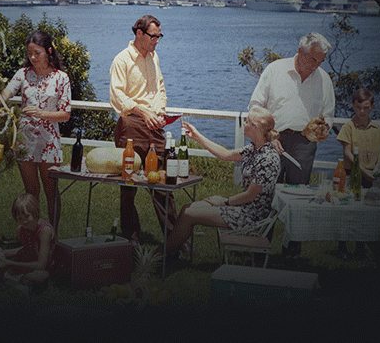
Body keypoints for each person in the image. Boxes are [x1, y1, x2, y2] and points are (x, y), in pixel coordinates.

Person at [247, 31, 335, 259]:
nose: (316, 65)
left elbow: (328, 115)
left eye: (321, 61)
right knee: (264, 195)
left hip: (304, 145)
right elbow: (255, 106)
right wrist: (269, 136)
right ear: (300, 51)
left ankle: (292, 253)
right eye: (312, 59)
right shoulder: (275, 70)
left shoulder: (324, 79)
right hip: (272, 140)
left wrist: (323, 130)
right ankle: (258, 249)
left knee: (299, 201)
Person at [162, 107, 281, 256]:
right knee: (187, 208)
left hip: (251, 215)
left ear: (255, 128)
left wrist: (224, 201)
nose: (243, 123)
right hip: (243, 207)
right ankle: (173, 249)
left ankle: (160, 254)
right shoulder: (254, 149)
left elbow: (250, 196)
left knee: (189, 214)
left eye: (247, 121)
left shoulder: (268, 158)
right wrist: (196, 136)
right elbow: (225, 154)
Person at [0, 30, 71, 227]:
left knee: (51, 192)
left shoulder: (61, 78)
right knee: (31, 192)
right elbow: (5, 94)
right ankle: (33, 234)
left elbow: (65, 114)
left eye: (37, 53)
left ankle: (52, 234)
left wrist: (41, 114)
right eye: (29, 53)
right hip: (25, 140)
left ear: (48, 51)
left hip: (49, 143)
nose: (32, 58)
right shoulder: (23, 74)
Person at [109, 15, 178, 245]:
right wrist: (143, 112)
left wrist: (158, 112)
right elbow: (117, 96)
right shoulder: (122, 60)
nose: (157, 41)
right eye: (153, 36)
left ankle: (175, 240)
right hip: (131, 124)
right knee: (129, 183)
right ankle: (131, 239)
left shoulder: (154, 58)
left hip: (153, 125)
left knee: (161, 184)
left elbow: (159, 88)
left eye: (159, 36)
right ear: (139, 33)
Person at [334, 87, 380, 260]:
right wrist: (362, 169)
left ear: (372, 106)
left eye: (365, 107)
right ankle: (342, 247)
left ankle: (360, 247)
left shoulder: (377, 128)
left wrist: (377, 168)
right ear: (353, 106)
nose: (362, 111)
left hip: (370, 175)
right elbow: (347, 151)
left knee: (365, 211)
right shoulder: (349, 127)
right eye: (358, 107)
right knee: (346, 208)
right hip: (352, 173)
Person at [0, 193, 57, 293]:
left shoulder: (45, 231)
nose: (24, 222)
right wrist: (1, 252)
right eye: (20, 218)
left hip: (43, 268)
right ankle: (17, 284)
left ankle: (12, 283)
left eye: (27, 216)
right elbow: (26, 249)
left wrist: (9, 263)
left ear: (36, 213)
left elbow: (42, 265)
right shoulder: (21, 230)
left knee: (38, 276)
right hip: (28, 263)